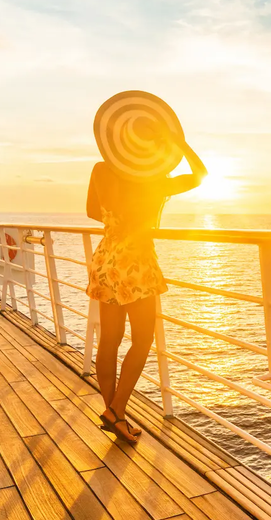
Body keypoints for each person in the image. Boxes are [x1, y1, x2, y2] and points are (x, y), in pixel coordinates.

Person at [86, 123, 206, 443]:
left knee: (109, 340)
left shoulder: (101, 169)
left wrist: (117, 222)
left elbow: (90, 211)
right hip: (136, 262)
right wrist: (179, 143)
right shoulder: (154, 181)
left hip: (107, 257)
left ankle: (115, 415)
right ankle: (117, 410)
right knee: (142, 340)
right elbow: (199, 174)